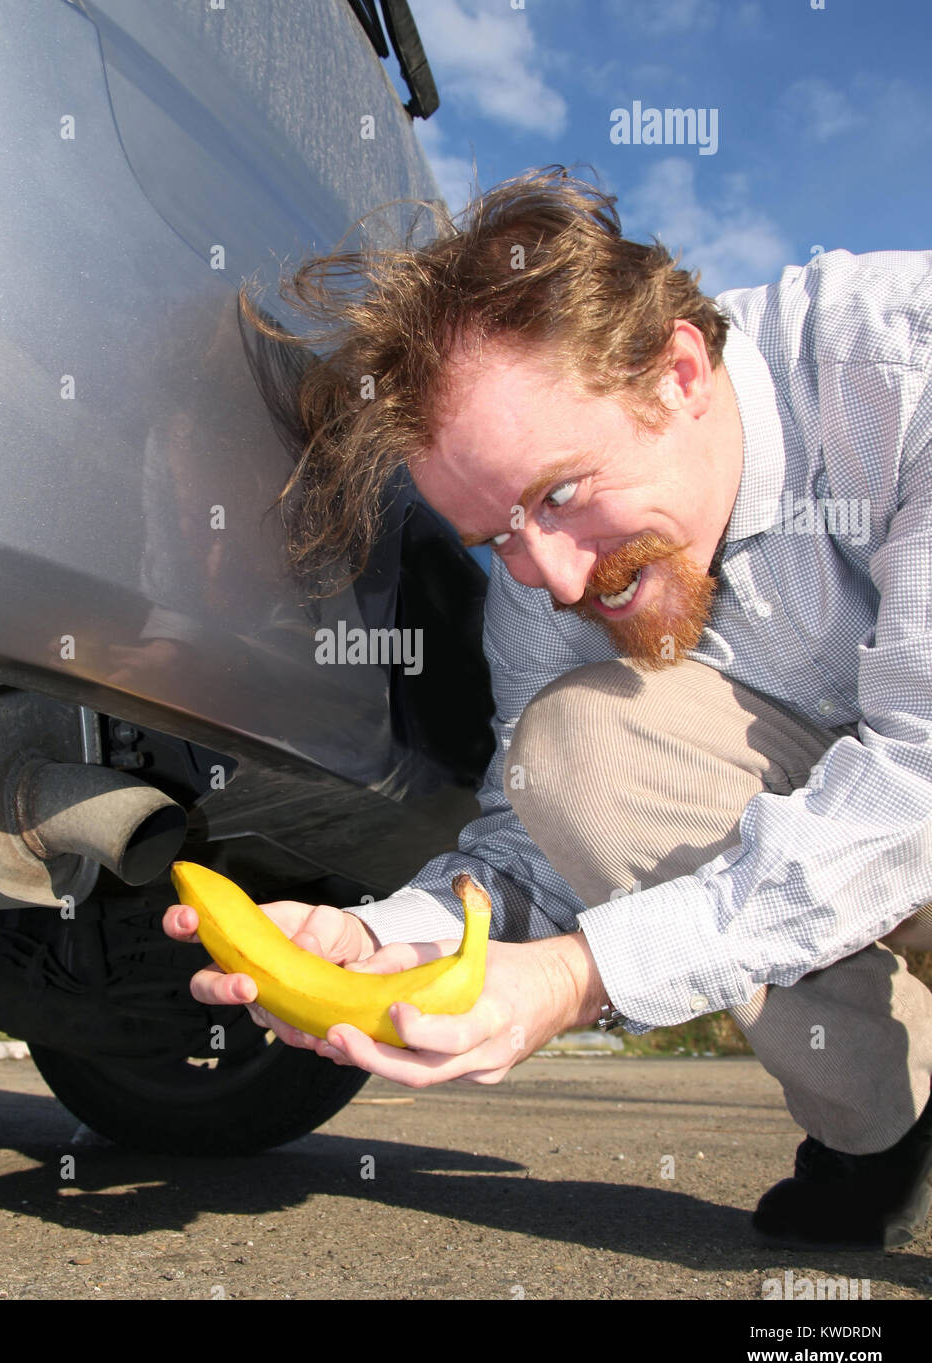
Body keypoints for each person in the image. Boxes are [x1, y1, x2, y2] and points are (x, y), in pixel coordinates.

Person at [162, 166, 932, 1250]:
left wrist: (577, 980)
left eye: (560, 493)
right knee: (567, 750)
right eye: (496, 537)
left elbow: (915, 787)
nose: (558, 580)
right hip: (838, 793)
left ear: (677, 371)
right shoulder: (543, 581)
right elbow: (530, 848)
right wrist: (380, 935)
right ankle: (883, 1122)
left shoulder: (901, 364)